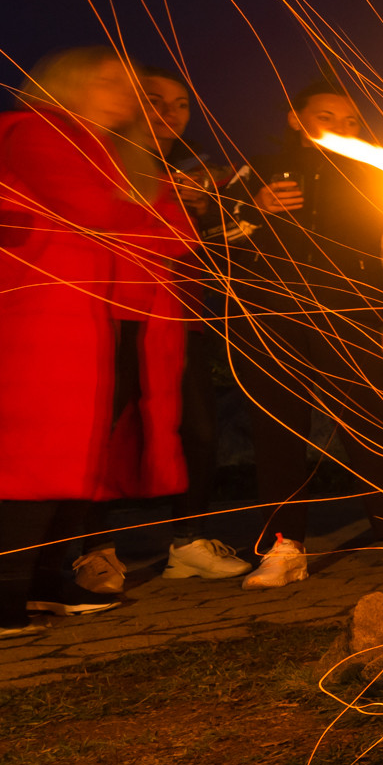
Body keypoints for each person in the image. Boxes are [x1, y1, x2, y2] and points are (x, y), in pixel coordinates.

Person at [0, 47, 196, 633]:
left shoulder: (119, 153)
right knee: (38, 460)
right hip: (43, 321)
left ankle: (47, 585)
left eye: (130, 83)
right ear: (67, 83)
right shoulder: (31, 131)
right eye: (109, 81)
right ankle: (4, 601)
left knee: (83, 457)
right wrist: (145, 215)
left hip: (108, 319)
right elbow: (93, 208)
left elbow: (178, 234)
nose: (127, 94)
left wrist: (145, 215)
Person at [228, 79, 383, 587]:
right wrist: (256, 208)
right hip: (270, 314)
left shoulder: (377, 174)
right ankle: (283, 546)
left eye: (351, 121)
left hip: (347, 312)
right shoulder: (257, 168)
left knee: (366, 421)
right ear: (296, 119)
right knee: (278, 430)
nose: (341, 128)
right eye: (326, 117)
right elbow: (215, 237)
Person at [137, 65, 252, 581]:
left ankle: (187, 540)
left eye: (181, 104)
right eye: (155, 100)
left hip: (185, 313)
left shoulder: (195, 164)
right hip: (122, 313)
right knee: (116, 433)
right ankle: (88, 551)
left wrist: (207, 209)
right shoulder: (114, 159)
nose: (170, 113)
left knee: (200, 429)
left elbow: (211, 248)